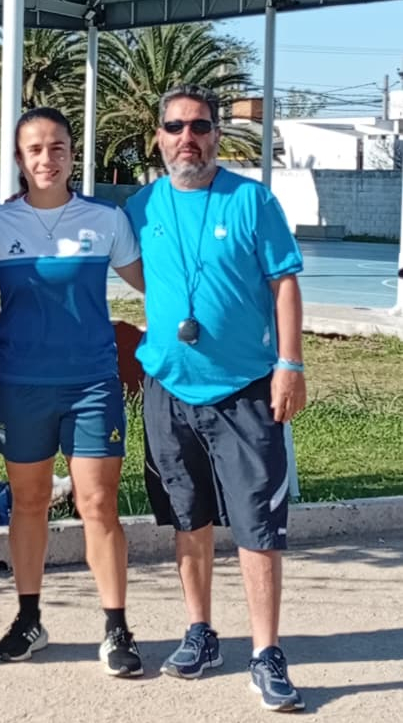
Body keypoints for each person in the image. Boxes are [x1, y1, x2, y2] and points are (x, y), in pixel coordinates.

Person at [124, 84, 307, 712]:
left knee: (258, 526)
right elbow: (128, 268)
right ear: (159, 137)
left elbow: (284, 284)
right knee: (188, 517)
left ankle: (266, 652)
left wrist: (289, 366)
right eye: (175, 127)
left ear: (216, 136)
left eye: (199, 127)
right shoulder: (141, 206)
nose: (188, 138)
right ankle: (200, 631)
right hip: (167, 388)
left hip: (244, 391)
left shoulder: (252, 200)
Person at [0, 107, 146, 676]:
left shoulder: (106, 219)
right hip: (20, 384)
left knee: (98, 504)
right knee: (29, 503)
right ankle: (29, 620)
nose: (47, 159)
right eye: (35, 150)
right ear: (19, 159)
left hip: (92, 384)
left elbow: (153, 283)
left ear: (72, 154)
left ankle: (116, 628)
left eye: (58, 148)